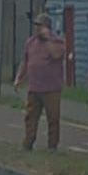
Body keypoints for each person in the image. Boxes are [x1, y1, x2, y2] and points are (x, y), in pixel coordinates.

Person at [14, 13, 65, 151]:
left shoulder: (57, 41)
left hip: (51, 88)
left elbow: (56, 55)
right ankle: (28, 143)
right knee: (30, 117)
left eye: (40, 25)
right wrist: (19, 77)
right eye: (36, 25)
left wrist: (48, 38)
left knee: (53, 118)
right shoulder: (30, 42)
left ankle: (52, 146)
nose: (37, 28)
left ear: (47, 27)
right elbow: (25, 61)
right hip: (34, 87)